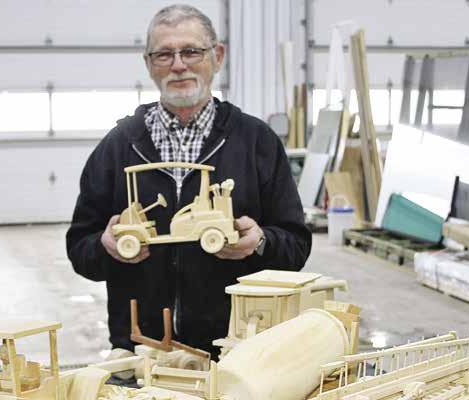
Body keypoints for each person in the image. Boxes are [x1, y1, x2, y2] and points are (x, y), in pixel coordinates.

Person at [66, 4, 311, 355]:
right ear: (149, 64)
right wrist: (106, 248)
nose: (178, 65)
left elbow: (296, 246)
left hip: (236, 350)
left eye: (191, 51)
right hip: (142, 350)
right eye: (164, 54)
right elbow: (79, 248)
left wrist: (260, 242)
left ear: (217, 56)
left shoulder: (257, 142)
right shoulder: (118, 147)